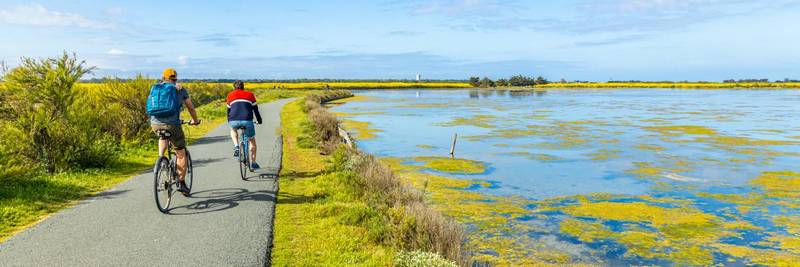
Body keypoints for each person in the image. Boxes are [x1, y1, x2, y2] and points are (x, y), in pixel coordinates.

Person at [150, 68, 200, 194]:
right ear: (175, 78)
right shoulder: (180, 89)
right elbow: (191, 108)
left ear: (163, 77)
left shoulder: (155, 88)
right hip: (172, 124)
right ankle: (182, 183)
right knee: (181, 153)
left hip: (155, 124)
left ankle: (161, 159)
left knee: (162, 136)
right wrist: (195, 120)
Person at [226, 80, 263, 169]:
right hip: (247, 120)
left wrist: (229, 121)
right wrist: (259, 120)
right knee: (252, 140)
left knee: (233, 130)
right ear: (243, 86)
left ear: (234, 87)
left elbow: (228, 111)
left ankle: (236, 146)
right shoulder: (250, 95)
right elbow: (255, 110)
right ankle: (253, 163)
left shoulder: (230, 95)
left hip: (233, 119)